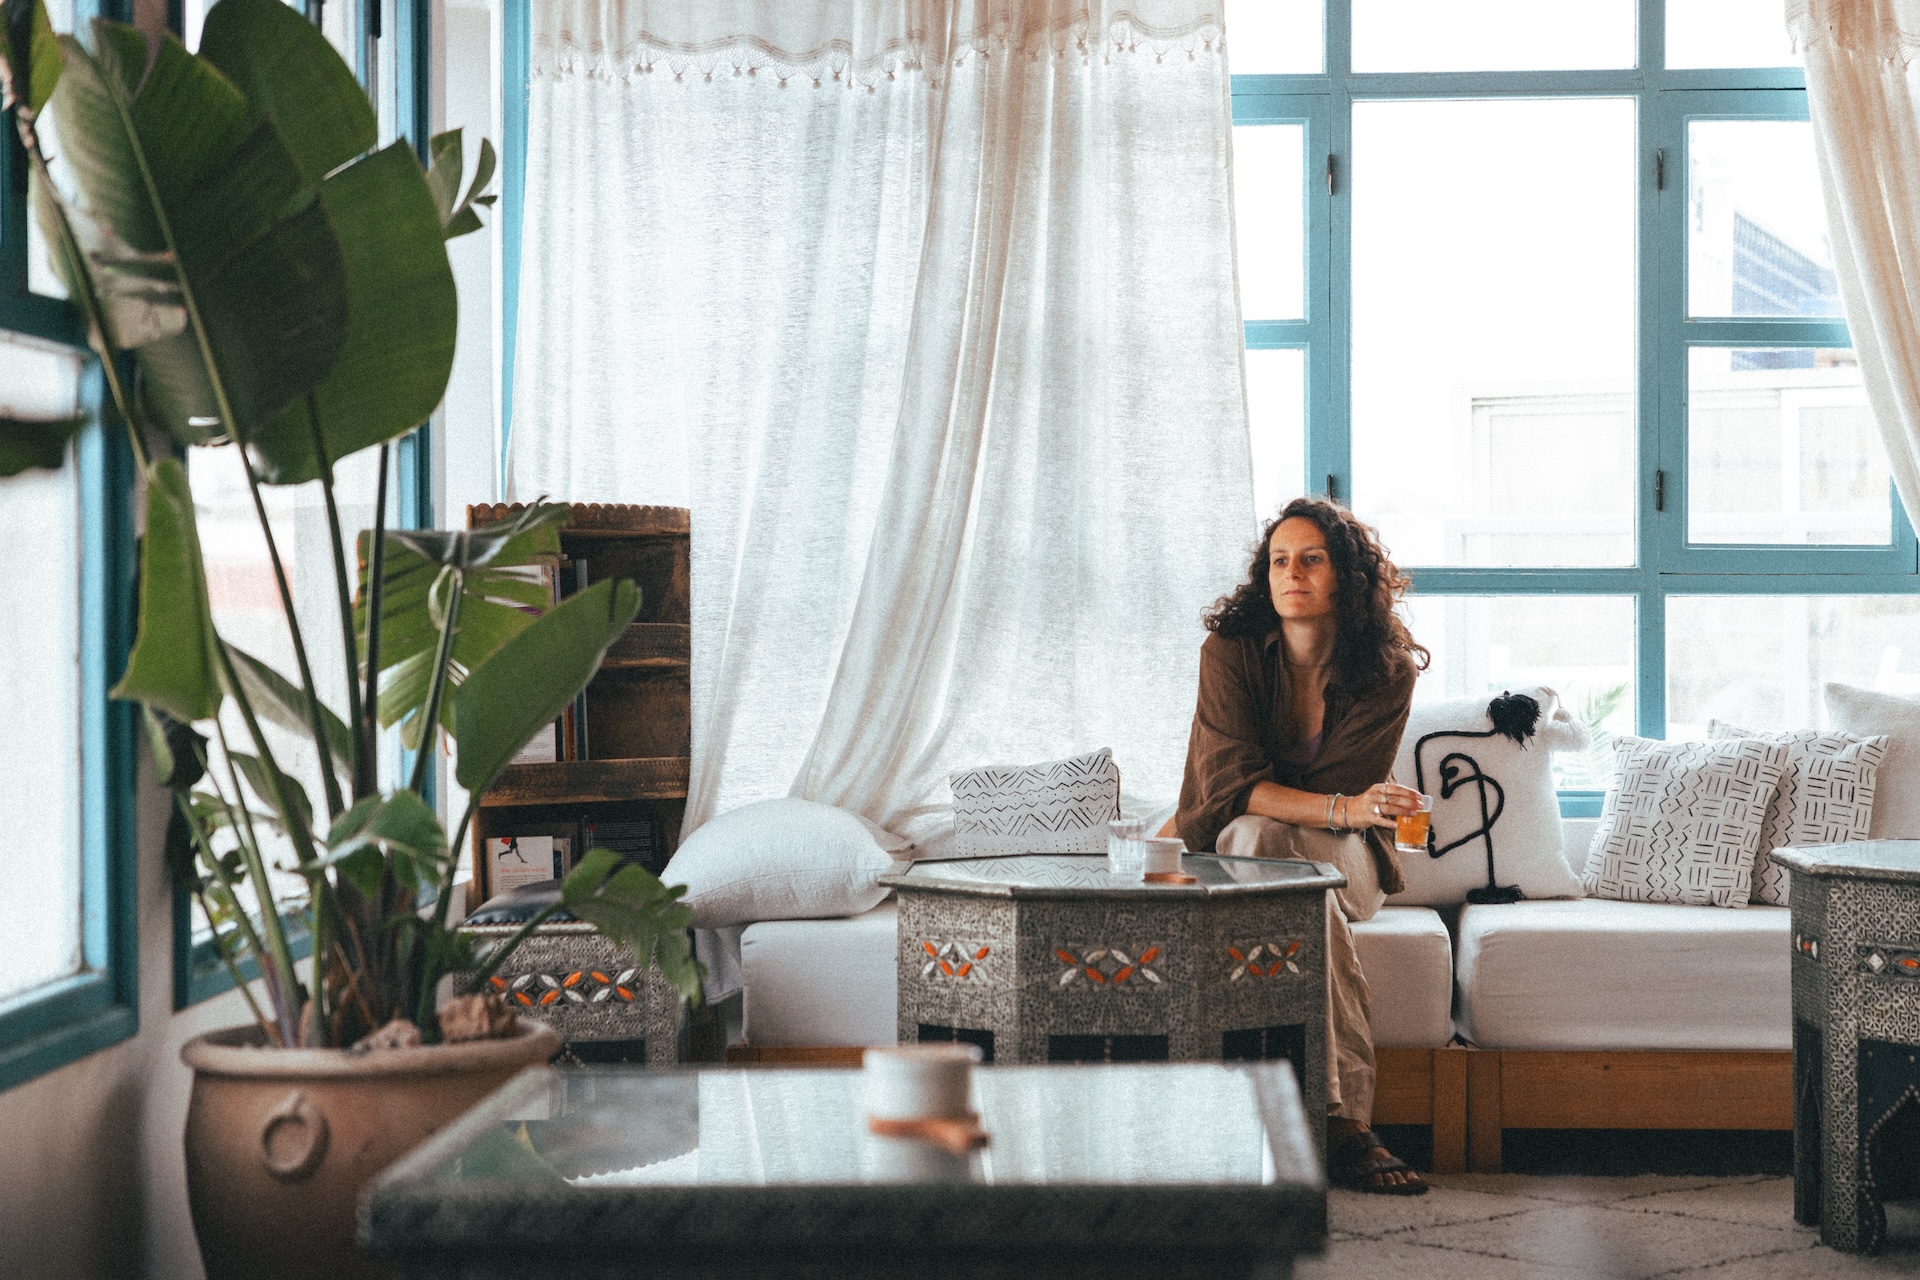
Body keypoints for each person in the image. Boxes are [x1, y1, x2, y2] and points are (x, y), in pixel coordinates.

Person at [1174, 496, 1431, 1195]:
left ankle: (1273, 1117)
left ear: (1344, 576)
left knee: (1282, 846)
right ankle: (1342, 1121)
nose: (1293, 573)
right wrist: (1341, 805)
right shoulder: (1229, 652)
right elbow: (1228, 782)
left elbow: (1333, 804)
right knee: (1262, 842)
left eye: (1312, 559)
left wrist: (1332, 806)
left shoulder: (1386, 670)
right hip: (1267, 845)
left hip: (1349, 859)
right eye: (1280, 560)